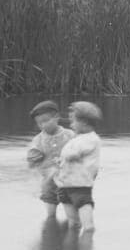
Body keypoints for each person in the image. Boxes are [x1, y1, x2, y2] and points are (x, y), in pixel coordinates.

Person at [55, 101, 104, 233]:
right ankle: (73, 237)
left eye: (73, 121)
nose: (71, 124)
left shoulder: (92, 139)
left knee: (83, 204)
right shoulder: (78, 138)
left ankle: (88, 230)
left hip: (80, 183)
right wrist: (60, 161)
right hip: (66, 183)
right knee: (72, 220)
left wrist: (69, 155)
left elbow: (76, 153)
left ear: (84, 122)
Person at [26, 100, 77, 219]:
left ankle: (72, 230)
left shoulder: (70, 135)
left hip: (68, 182)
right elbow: (32, 163)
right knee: (50, 215)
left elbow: (80, 152)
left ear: (56, 117)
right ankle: (51, 230)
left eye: (46, 121)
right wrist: (33, 161)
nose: (43, 125)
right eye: (39, 123)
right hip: (48, 182)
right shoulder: (38, 140)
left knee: (72, 216)